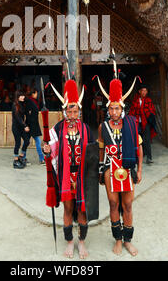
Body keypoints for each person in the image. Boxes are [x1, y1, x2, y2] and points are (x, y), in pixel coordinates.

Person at [43, 79, 96, 259]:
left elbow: (92, 153)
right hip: (66, 176)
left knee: (82, 210)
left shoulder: (86, 129)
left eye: (75, 111)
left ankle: (81, 242)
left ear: (79, 112)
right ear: (64, 112)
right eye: (69, 111)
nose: (72, 114)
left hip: (81, 176)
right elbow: (51, 150)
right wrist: (47, 150)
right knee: (67, 209)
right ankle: (69, 242)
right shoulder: (58, 128)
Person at [94, 66, 143, 257]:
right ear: (108, 109)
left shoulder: (131, 123)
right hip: (109, 169)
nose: (114, 111)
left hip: (128, 167)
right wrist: (100, 169)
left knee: (128, 205)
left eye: (117, 108)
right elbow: (101, 149)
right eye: (111, 108)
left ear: (122, 108)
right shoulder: (102, 126)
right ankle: (118, 239)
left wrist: (139, 170)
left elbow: (139, 147)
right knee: (113, 205)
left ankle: (128, 240)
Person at [129, 85, 157, 164]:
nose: (144, 92)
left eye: (146, 91)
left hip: (146, 123)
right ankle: (138, 156)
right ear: (139, 91)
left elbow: (152, 111)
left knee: (147, 140)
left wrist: (148, 115)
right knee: (137, 140)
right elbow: (132, 112)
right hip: (137, 123)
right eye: (143, 90)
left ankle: (149, 157)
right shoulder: (135, 100)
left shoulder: (148, 100)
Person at [25, 88, 45, 165]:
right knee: (30, 142)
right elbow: (28, 113)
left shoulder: (33, 101)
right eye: (36, 93)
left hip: (33, 124)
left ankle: (41, 159)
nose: (37, 95)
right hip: (31, 125)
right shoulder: (30, 101)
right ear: (33, 94)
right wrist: (29, 125)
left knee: (31, 141)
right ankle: (41, 159)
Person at [11, 91, 30, 169]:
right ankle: (15, 160)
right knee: (18, 143)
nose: (23, 97)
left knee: (27, 140)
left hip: (21, 127)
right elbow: (18, 118)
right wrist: (25, 126)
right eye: (21, 96)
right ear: (17, 97)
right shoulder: (15, 105)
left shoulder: (22, 104)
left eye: (23, 96)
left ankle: (21, 156)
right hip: (16, 127)